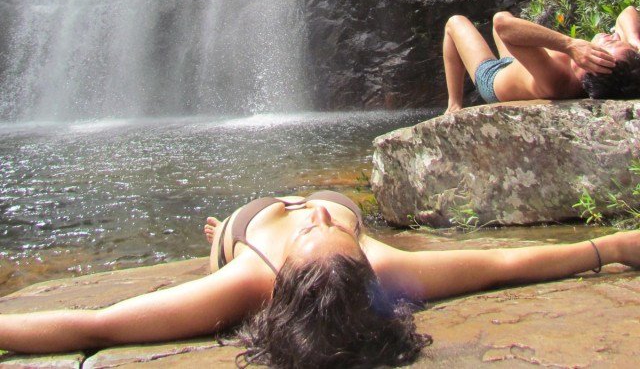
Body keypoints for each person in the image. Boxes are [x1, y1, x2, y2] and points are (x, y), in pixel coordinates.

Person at [1, 190, 640, 367]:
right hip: (271, 243)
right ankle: (219, 231)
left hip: (244, 238)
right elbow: (509, 265)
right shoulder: (386, 267)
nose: (318, 214)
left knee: (224, 241)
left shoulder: (251, 281)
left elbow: (95, 325)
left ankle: (219, 236)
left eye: (321, 224)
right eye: (332, 225)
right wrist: (612, 245)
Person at [443, 5, 640, 113]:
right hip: (523, 66)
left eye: (612, 43)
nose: (612, 35)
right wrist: (633, 40)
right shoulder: (611, 68)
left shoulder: (557, 80)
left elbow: (503, 26)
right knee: (502, 12)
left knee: (455, 22)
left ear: (595, 66)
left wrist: (569, 44)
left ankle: (453, 104)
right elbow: (628, 12)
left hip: (494, 78)